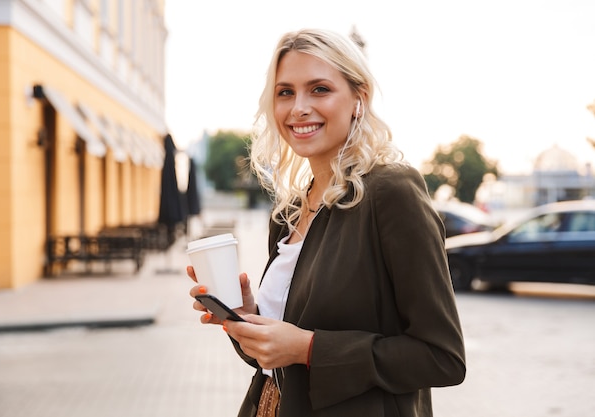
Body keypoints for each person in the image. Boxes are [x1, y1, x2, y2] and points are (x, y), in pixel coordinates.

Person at [188, 28, 466, 417]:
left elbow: (442, 357)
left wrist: (308, 348)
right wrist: (250, 321)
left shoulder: (390, 192)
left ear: (358, 99)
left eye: (319, 89)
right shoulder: (288, 213)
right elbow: (276, 364)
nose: (298, 107)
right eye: (285, 92)